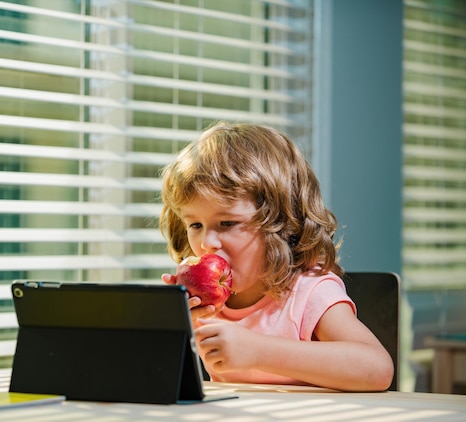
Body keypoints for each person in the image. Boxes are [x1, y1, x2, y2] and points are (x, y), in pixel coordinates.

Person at [159, 121, 394, 391]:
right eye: (195, 225)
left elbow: (377, 368)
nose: (207, 243)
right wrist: (173, 324)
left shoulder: (308, 293)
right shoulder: (204, 305)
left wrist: (258, 351)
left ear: (281, 223)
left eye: (227, 223)